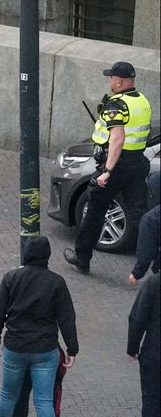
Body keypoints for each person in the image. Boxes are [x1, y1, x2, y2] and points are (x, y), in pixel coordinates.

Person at [0, 236, 77, 417]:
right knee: (44, 401)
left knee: (7, 395)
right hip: (45, 350)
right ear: (47, 257)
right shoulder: (56, 282)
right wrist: (72, 348)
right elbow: (67, 319)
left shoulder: (11, 278)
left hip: (15, 347)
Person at [65, 61, 152, 274]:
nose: (109, 81)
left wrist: (107, 171)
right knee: (139, 215)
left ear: (119, 81)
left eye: (111, 77)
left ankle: (82, 257)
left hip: (117, 164)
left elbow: (117, 140)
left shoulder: (116, 104)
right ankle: (156, 258)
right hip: (137, 162)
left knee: (95, 211)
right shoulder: (142, 101)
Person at [127, 270, 160, 417]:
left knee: (151, 398)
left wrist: (132, 347)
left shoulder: (154, 283)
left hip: (154, 353)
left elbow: (138, 318)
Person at [6, 348, 67, 417]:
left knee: (21, 390)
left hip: (21, 347)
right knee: (50, 394)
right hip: (47, 348)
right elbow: (67, 331)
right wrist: (72, 349)